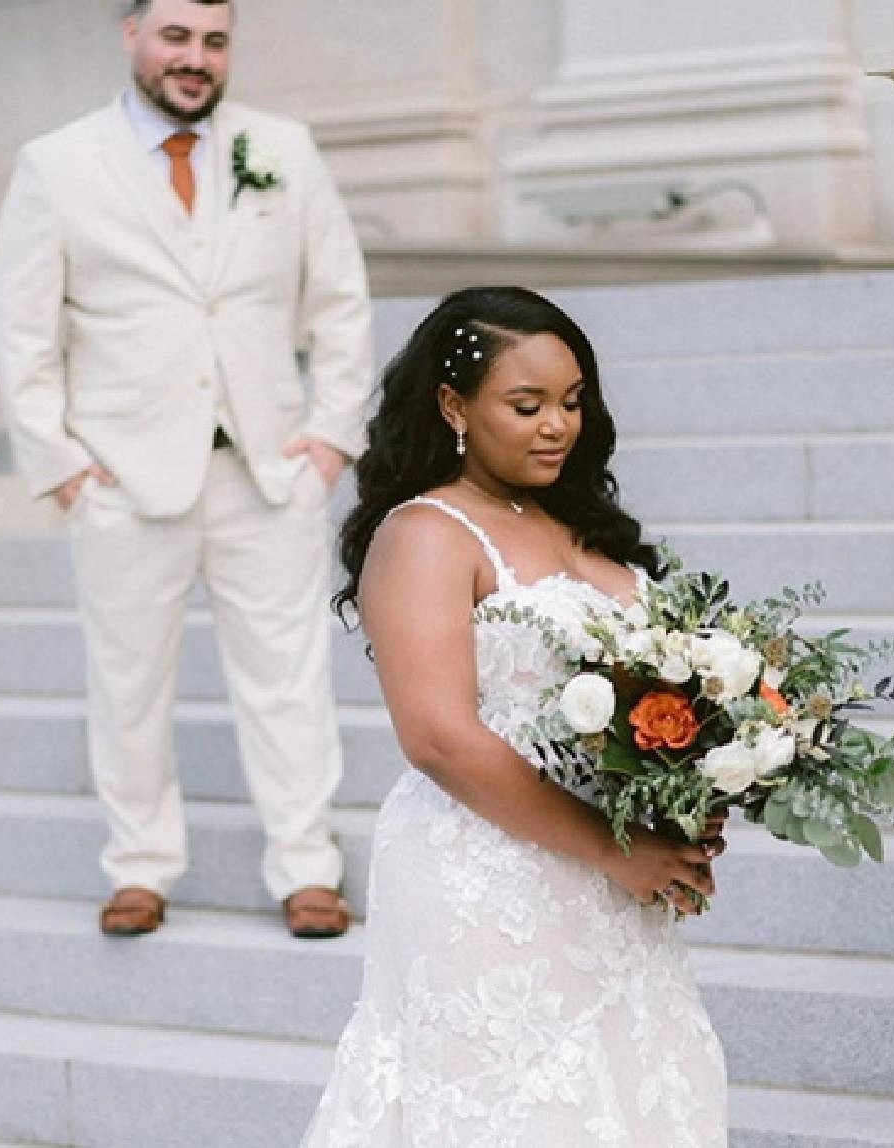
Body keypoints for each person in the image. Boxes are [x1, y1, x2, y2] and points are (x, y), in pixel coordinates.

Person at [301, 286, 728, 1144]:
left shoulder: (577, 522)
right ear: (454, 404)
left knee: (629, 1091)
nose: (557, 427)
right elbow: (439, 739)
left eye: (572, 403)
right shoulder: (426, 532)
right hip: (486, 874)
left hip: (610, 880)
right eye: (526, 405)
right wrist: (620, 847)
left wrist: (695, 784)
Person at [0, 0, 372, 940]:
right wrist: (66, 468)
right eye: (176, 37)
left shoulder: (285, 147)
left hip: (267, 466)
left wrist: (330, 437)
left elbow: (342, 301)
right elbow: (20, 330)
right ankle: (141, 864)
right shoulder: (58, 164)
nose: (194, 59)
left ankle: (307, 865)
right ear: (132, 37)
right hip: (123, 476)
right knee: (128, 683)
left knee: (288, 676)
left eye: (213, 41)